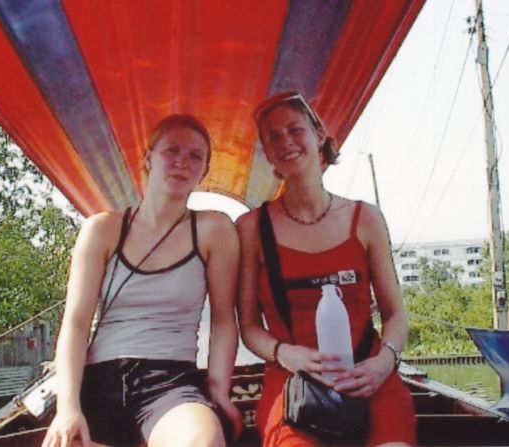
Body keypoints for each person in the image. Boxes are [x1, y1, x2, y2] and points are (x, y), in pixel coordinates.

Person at [42, 114, 242, 447]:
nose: (182, 162)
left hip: (169, 382)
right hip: (99, 380)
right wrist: (68, 408)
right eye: (172, 150)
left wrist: (219, 390)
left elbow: (223, 321)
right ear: (148, 158)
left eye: (195, 156)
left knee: (202, 442)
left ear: (204, 171)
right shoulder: (102, 230)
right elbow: (75, 324)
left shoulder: (214, 230)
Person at [236, 92, 416, 446]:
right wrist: (285, 353)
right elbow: (250, 327)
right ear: (267, 153)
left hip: (369, 378)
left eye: (295, 129)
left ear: (319, 136)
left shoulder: (365, 219)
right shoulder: (251, 228)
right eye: (273, 136)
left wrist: (384, 362)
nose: (286, 141)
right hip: (294, 384)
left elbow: (396, 314)